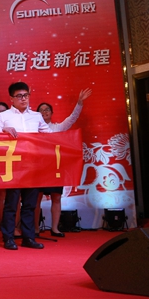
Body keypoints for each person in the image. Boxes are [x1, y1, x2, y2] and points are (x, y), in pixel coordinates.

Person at [0, 82, 51, 250]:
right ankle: (8, 237)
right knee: (11, 203)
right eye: (19, 96)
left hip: (32, 164)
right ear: (11, 98)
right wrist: (4, 130)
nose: (23, 99)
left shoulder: (36, 116)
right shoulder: (4, 117)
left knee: (30, 204)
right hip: (13, 165)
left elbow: (50, 136)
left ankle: (28, 237)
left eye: (26, 95)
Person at [35, 88, 93, 237]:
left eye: (47, 110)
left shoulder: (58, 128)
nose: (44, 112)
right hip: (39, 168)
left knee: (56, 197)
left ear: (52, 113)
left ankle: (55, 228)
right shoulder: (33, 130)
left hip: (55, 167)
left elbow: (72, 118)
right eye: (41, 110)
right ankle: (35, 228)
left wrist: (79, 103)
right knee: (36, 198)